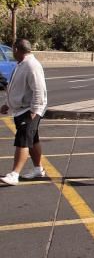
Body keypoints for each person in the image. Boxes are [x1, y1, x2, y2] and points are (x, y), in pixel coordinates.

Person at [0, 39, 48, 186]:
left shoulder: (32, 65)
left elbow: (39, 89)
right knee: (32, 140)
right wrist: (8, 104)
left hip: (29, 110)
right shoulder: (22, 64)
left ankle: (14, 174)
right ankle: (38, 169)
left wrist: (34, 111)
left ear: (16, 50)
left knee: (22, 140)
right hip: (21, 109)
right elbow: (16, 87)